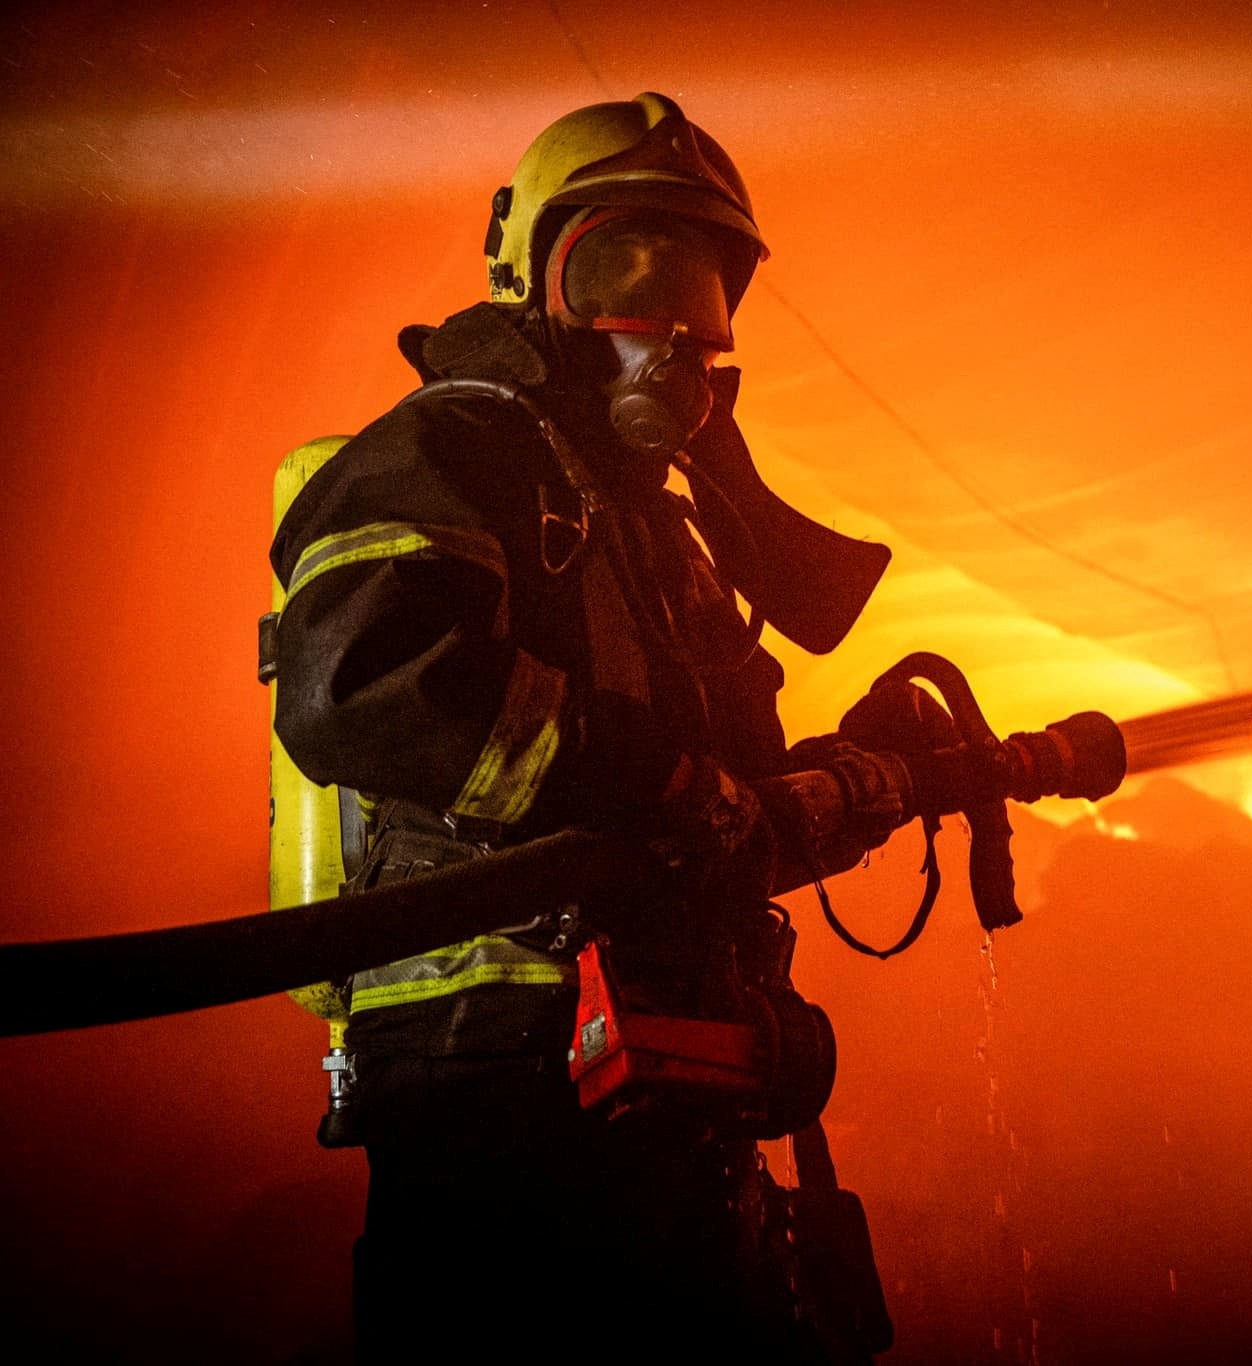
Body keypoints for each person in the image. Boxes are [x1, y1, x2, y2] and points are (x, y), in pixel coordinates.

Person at [270, 92, 908, 1362]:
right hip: (492, 1106)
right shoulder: (453, 448)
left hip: (666, 1089)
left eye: (703, 285)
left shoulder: (652, 530)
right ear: (536, 277)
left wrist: (859, 777)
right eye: (625, 266)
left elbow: (720, 812)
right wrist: (663, 780)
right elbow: (362, 679)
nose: (671, 327)